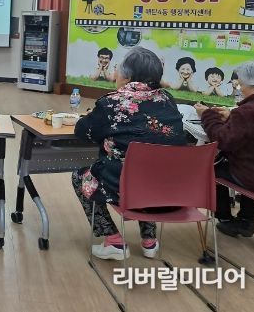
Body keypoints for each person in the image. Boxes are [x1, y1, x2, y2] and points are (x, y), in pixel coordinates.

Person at [72, 46, 187, 260]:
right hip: (170, 193)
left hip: (127, 190)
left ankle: (113, 241)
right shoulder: (167, 100)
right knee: (149, 169)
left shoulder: (111, 103)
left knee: (81, 177)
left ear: (127, 76)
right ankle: (149, 241)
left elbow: (83, 132)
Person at [194, 60, 254, 238]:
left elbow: (222, 140)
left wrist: (207, 115)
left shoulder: (248, 111)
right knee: (253, 161)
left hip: (252, 178)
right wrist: (232, 117)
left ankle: (225, 218)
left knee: (210, 168)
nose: (239, 88)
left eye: (241, 85)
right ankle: (246, 220)